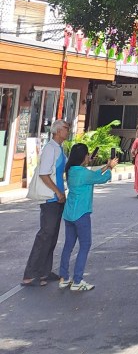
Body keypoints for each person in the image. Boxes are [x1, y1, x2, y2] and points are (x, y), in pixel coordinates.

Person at [58, 143, 118, 291]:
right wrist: (110, 168)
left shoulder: (71, 170)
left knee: (68, 245)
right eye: (87, 154)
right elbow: (101, 179)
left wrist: (106, 166)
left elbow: (93, 175)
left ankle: (64, 278)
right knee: (85, 245)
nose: (89, 156)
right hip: (81, 213)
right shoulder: (83, 173)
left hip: (69, 214)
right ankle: (77, 281)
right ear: (83, 156)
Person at [22, 119, 70, 286]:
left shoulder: (59, 148)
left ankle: (44, 271)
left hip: (57, 197)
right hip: (50, 198)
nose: (68, 130)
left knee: (52, 235)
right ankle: (30, 274)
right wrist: (57, 191)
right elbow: (44, 174)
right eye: (66, 128)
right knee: (45, 235)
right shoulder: (50, 149)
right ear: (57, 131)